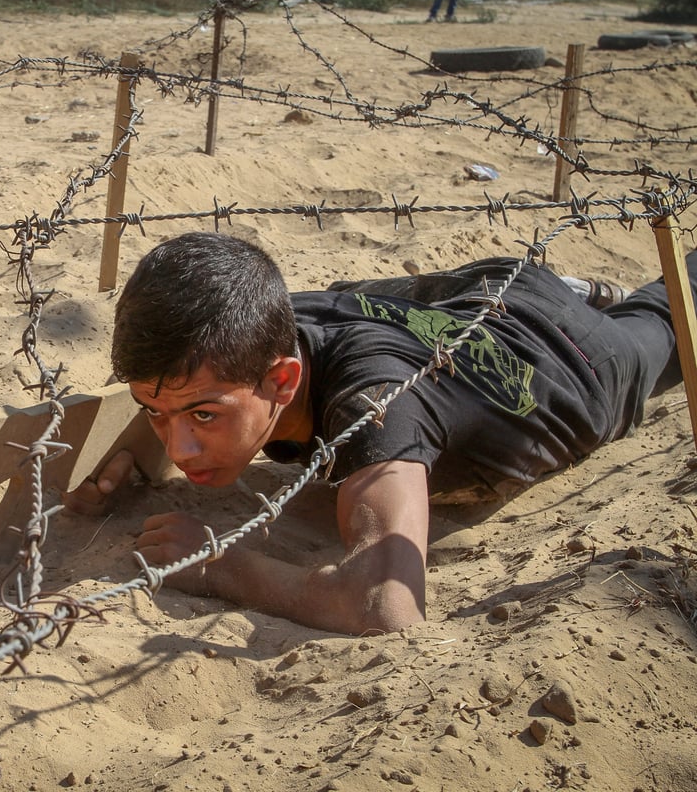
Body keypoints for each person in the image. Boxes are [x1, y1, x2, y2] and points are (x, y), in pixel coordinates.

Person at [64, 232, 693, 636]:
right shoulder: (263, 320)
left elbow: (384, 605)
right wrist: (127, 454)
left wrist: (219, 564)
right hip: (471, 294)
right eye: (154, 412)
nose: (180, 447)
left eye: (203, 416)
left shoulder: (377, 404)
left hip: (572, 359)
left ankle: (601, 300)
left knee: (668, 310)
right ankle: (572, 288)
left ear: (283, 381)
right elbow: (180, 393)